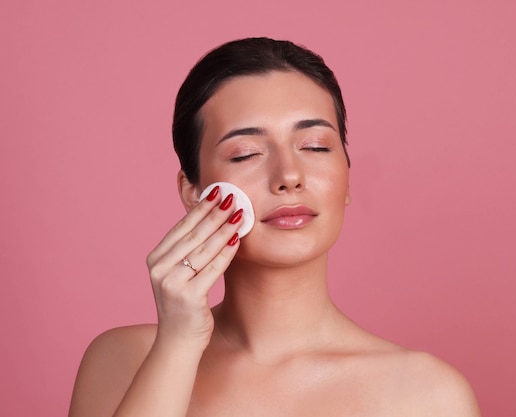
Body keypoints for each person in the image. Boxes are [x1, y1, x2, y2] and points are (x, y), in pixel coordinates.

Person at [68, 37, 481, 417]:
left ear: (347, 177)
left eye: (316, 146)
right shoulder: (124, 360)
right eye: (246, 153)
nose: (289, 175)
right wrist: (178, 343)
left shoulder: (428, 394)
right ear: (194, 191)